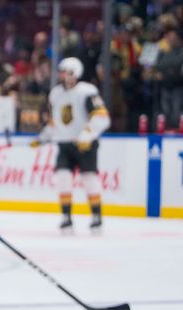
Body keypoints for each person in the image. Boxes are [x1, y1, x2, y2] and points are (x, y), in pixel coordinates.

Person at [35, 56, 111, 233]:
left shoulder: (87, 91)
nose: (61, 75)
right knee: (63, 179)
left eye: (65, 72)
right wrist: (45, 135)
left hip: (85, 145)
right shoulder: (55, 93)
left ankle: (96, 216)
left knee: (89, 179)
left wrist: (87, 134)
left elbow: (102, 117)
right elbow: (56, 121)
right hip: (64, 143)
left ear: (74, 73)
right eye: (61, 72)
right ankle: (66, 217)